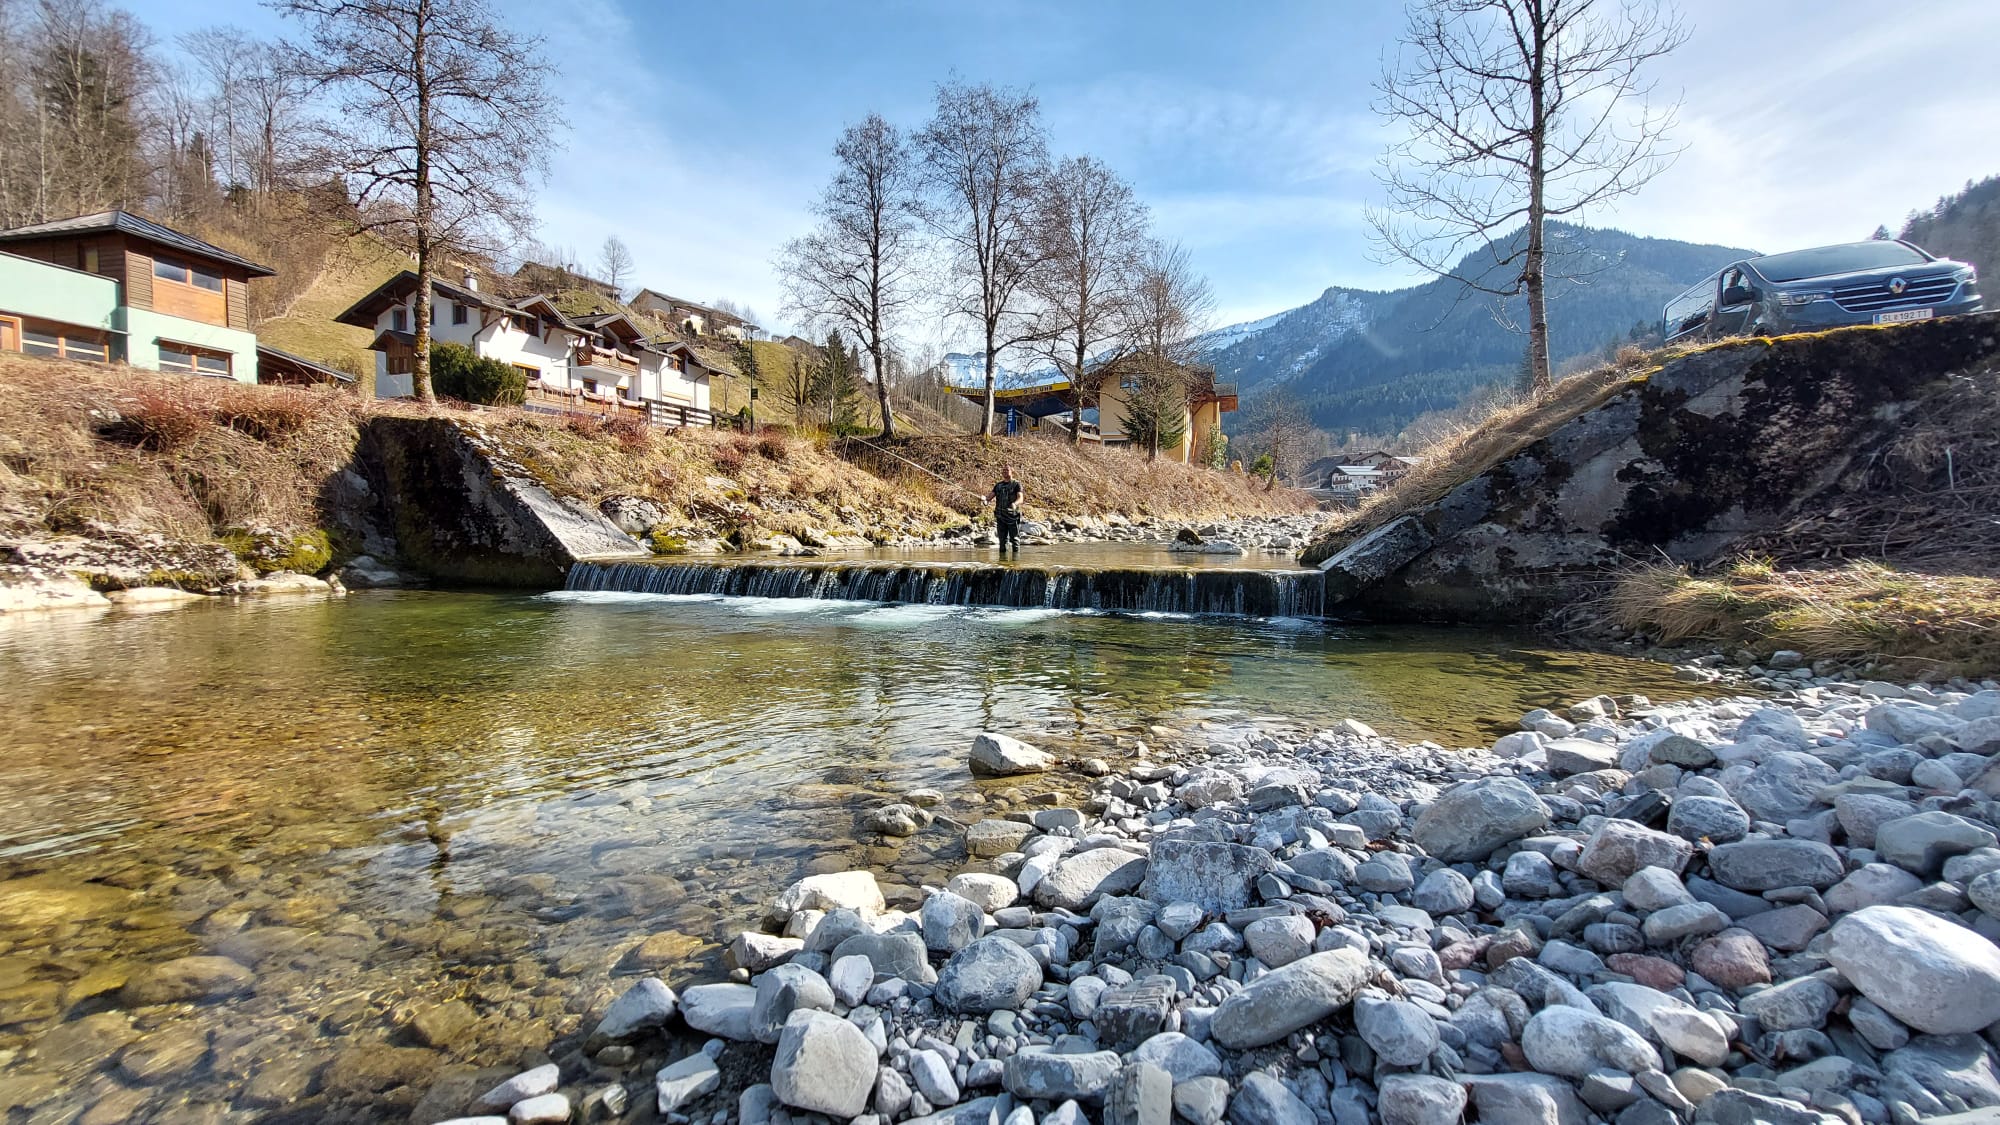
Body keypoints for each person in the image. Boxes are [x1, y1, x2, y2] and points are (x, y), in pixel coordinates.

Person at [986, 464, 1023, 555]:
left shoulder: (1016, 484)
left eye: (1007, 470)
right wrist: (985, 500)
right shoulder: (998, 485)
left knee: (1015, 540)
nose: (1005, 472)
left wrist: (1015, 504)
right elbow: (989, 497)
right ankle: (1003, 561)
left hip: (1012, 516)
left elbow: (1021, 498)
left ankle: (1016, 561)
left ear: (1011, 472)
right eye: (1003, 470)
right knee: (1002, 541)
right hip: (1000, 517)